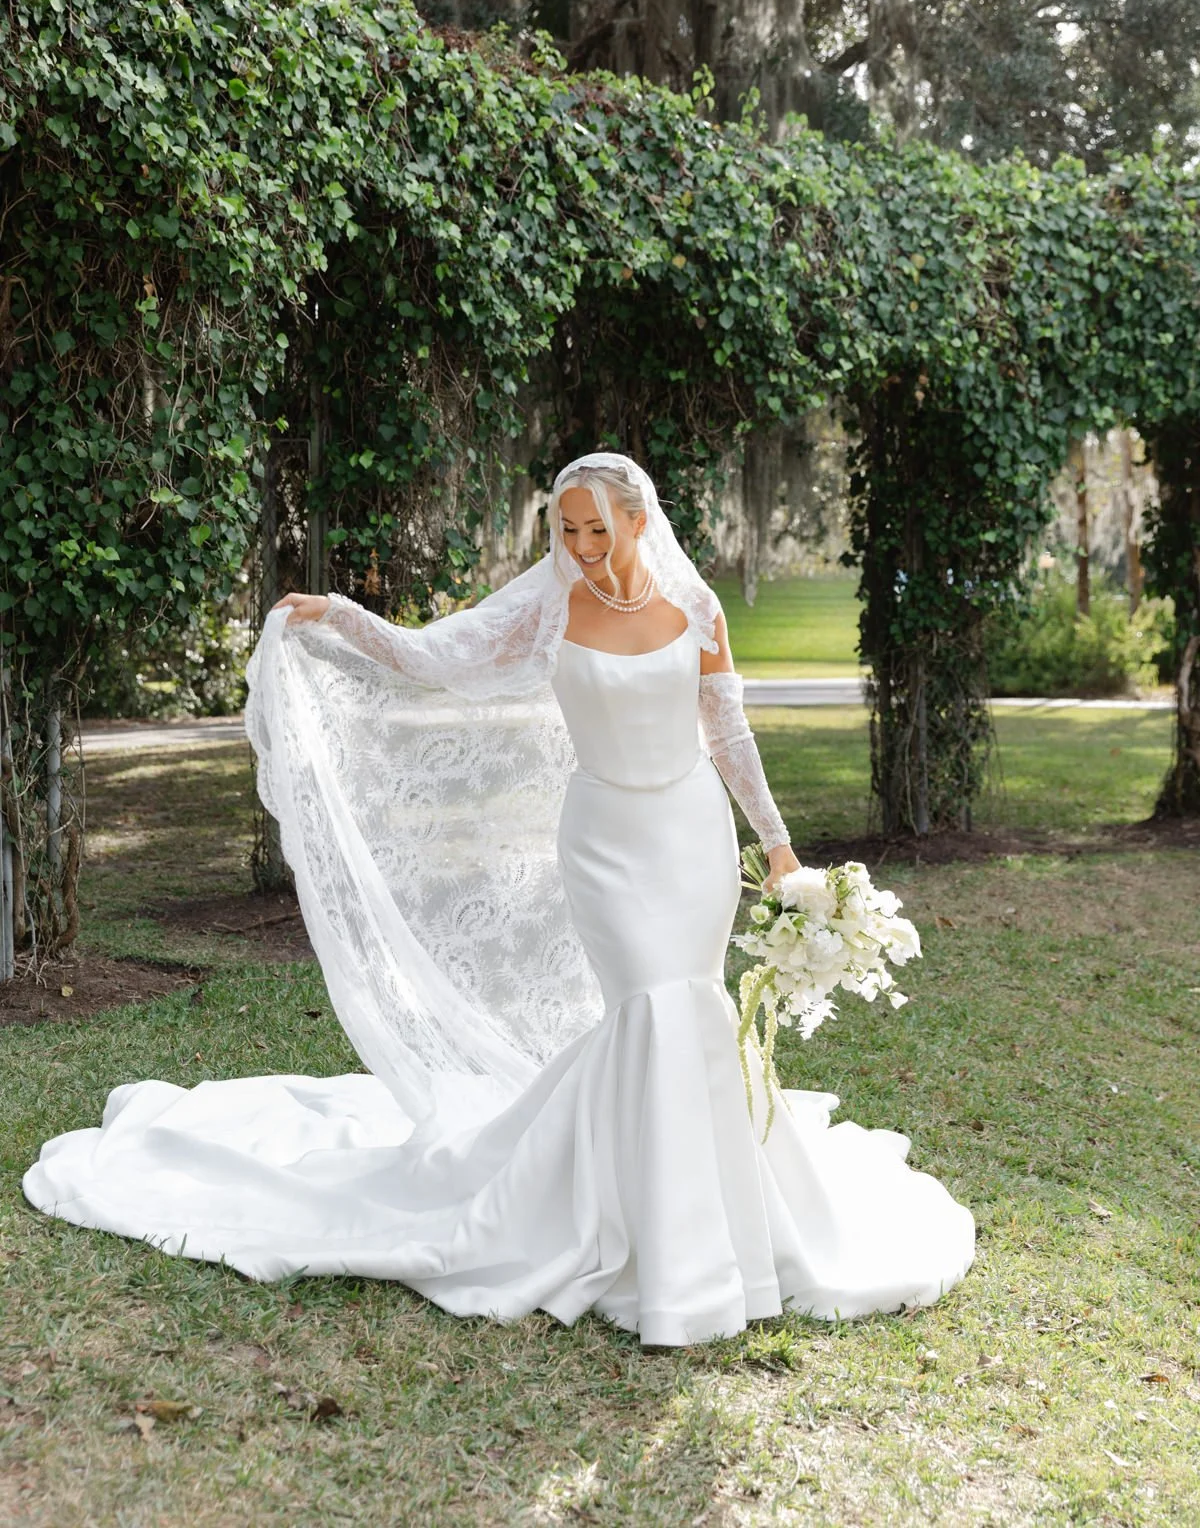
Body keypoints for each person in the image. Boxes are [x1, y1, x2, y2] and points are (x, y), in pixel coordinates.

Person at [23, 453, 974, 1345]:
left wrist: (778, 847)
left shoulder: (697, 608)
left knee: (691, 1007)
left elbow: (729, 736)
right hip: (603, 840)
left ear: (638, 522)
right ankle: (653, 1248)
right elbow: (434, 658)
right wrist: (341, 616)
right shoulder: (552, 607)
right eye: (566, 531)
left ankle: (717, 1222)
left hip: (690, 837)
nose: (580, 548)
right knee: (646, 1004)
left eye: (596, 530)